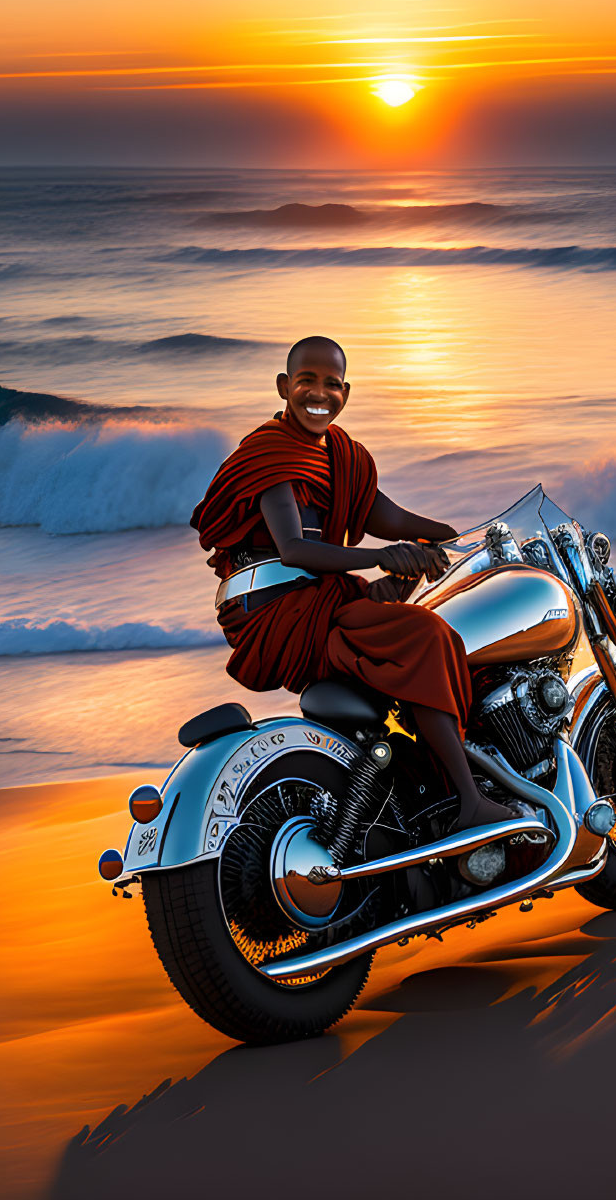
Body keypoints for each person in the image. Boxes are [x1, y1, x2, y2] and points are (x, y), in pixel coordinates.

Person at [191, 335, 515, 831]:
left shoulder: (341, 454)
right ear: (283, 386)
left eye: (332, 384)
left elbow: (388, 516)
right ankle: (469, 802)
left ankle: (446, 775)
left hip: (318, 596)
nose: (319, 394)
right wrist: (382, 557)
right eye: (306, 381)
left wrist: (452, 536)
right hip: (279, 610)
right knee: (427, 637)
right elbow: (294, 549)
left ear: (347, 391)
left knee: (424, 607)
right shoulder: (270, 454)